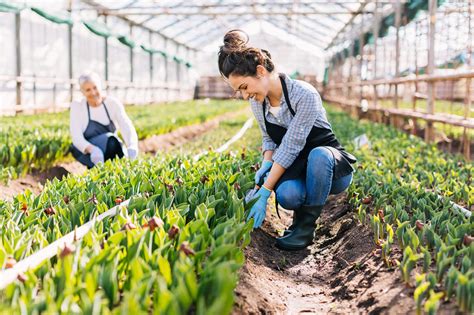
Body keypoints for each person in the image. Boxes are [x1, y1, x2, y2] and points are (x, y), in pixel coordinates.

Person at [217, 30, 357, 251]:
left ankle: (304, 228)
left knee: (318, 155)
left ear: (260, 71)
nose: (245, 96)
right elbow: (269, 139)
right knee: (288, 195)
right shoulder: (258, 103)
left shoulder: (304, 95)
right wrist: (266, 162)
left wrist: (264, 191)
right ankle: (297, 220)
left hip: (331, 170)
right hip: (298, 167)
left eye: (244, 87)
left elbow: (291, 146)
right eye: (239, 92)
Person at [69, 72, 139, 168]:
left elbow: (126, 125)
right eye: (88, 90)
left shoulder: (112, 103)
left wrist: (132, 145)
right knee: (109, 140)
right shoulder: (78, 106)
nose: (93, 93)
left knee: (112, 141)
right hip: (86, 152)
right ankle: (94, 170)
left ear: (100, 86)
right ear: (82, 92)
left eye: (95, 87)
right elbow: (76, 137)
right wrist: (92, 149)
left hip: (111, 148)